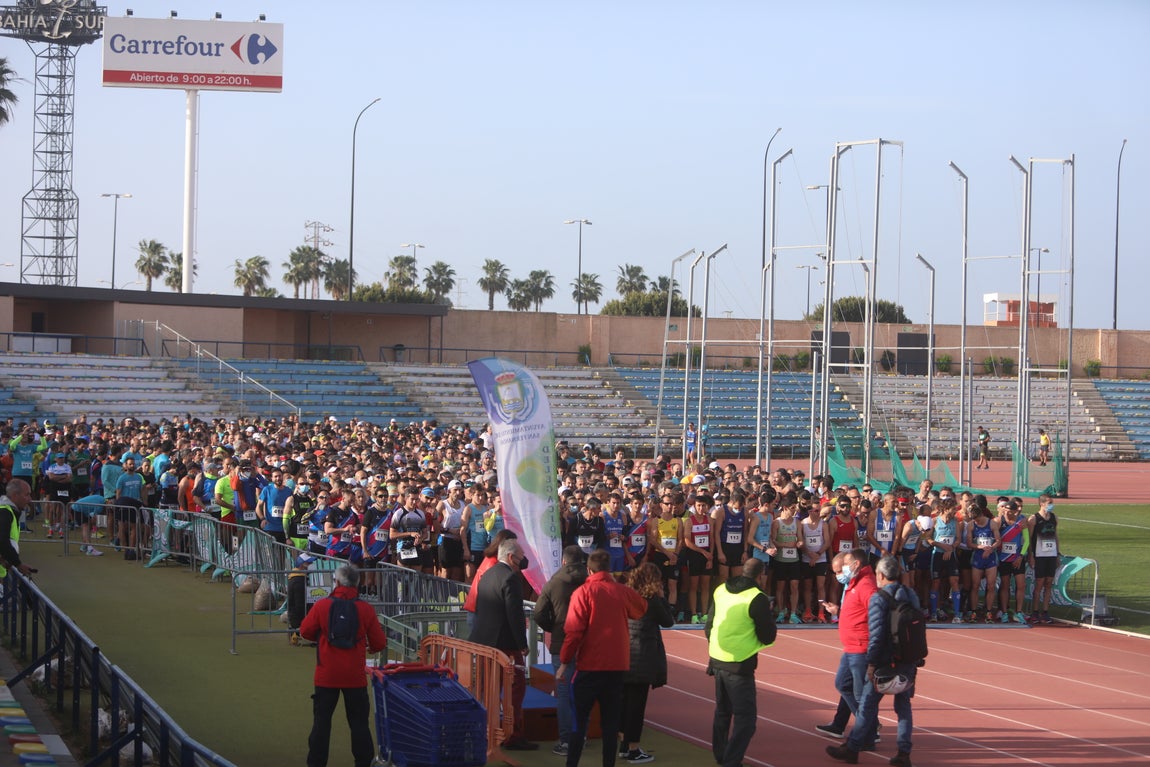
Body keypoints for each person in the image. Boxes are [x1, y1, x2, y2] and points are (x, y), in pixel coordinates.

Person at [558, 548, 648, 767]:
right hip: (617, 666)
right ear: (610, 569)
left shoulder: (583, 592)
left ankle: (572, 763)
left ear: (589, 569)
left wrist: (563, 662)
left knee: (580, 722)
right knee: (610, 724)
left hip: (589, 665)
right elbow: (641, 609)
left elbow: (574, 632)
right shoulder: (621, 591)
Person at [826, 555, 919, 767]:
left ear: (881, 575)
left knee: (867, 703)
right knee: (903, 707)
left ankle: (853, 748)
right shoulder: (911, 595)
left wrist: (872, 663)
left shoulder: (879, 598)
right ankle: (903, 753)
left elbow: (876, 634)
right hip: (908, 658)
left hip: (885, 661)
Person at [299, 564, 387, 767]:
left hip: (326, 674)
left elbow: (304, 631)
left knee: (321, 724)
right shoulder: (365, 609)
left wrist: (322, 638)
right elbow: (379, 643)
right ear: (358, 583)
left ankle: (316, 763)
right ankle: (363, 762)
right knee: (359, 725)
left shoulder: (322, 606)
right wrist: (368, 647)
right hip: (354, 676)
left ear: (336, 582)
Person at [705, 557, 776, 767]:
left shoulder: (721, 590)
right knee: (746, 719)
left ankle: (721, 755)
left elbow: (709, 625)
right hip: (740, 662)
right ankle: (732, 760)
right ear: (761, 575)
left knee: (723, 711)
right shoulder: (757, 598)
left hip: (717, 658)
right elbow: (767, 636)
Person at [469, 538, 537, 751]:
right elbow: (514, 615)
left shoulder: (487, 574)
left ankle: (485, 731)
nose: (523, 561)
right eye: (520, 557)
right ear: (510, 557)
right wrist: (522, 644)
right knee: (514, 690)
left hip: (483, 642)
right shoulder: (511, 578)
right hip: (506, 646)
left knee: (487, 689)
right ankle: (512, 735)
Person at [816, 550, 878, 746]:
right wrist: (839, 611)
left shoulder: (866, 584)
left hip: (861, 647)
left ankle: (868, 730)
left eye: (842, 568)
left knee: (858, 692)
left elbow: (877, 613)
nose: (839, 574)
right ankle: (848, 725)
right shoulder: (855, 583)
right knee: (845, 684)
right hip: (852, 646)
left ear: (855, 564)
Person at [533, 545, 588, 757]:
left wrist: (552, 627)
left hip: (562, 642)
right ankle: (581, 734)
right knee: (583, 691)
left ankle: (566, 740)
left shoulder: (553, 583)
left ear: (563, 561)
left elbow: (538, 612)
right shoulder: (590, 581)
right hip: (587, 643)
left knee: (563, 694)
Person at [620, 562, 674, 764]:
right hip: (642, 655)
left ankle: (624, 744)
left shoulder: (626, 595)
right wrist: (662, 597)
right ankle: (633, 749)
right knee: (636, 706)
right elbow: (668, 621)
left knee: (623, 702)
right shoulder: (652, 600)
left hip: (624, 653)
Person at [1028, 494, 1060, 624]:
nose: (1051, 505)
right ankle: (1035, 612)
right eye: (1049, 503)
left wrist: (1057, 554)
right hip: (1039, 556)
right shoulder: (1034, 519)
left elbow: (1056, 536)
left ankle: (1045, 612)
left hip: (1051, 555)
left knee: (1048, 584)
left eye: (1052, 502)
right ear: (1042, 504)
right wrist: (1030, 556)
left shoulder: (1054, 518)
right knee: (1039, 584)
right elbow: (1029, 539)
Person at [0, 478, 37, 579]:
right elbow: (2, 540)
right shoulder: (5, 513)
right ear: (15, 496)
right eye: (27, 495)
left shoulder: (9, 512)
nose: (29, 499)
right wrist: (18, 565)